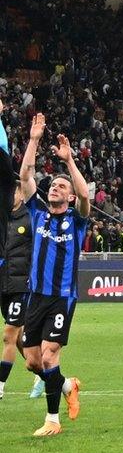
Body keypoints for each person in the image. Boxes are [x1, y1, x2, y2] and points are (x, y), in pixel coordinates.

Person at [19, 117, 88, 436]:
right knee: (33, 362)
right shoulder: (38, 213)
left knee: (49, 354)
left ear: (70, 197)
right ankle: (67, 385)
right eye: (55, 186)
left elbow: (86, 196)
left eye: (63, 187)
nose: (56, 188)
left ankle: (52, 420)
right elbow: (25, 176)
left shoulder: (77, 220)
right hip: (36, 297)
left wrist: (70, 160)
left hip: (62, 297)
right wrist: (34, 139)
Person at [0, 98, 31, 399]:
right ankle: (48, 377)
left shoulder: (30, 218)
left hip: (21, 285)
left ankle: (0, 385)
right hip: (3, 285)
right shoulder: (3, 217)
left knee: (9, 334)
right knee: (22, 343)